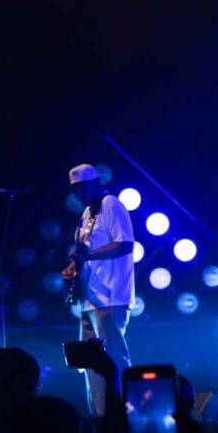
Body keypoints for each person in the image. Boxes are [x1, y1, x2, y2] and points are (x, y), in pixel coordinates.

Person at [61, 163, 135, 415]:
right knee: (89, 362)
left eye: (83, 187)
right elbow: (86, 253)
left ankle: (124, 416)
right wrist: (73, 265)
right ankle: (101, 418)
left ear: (96, 182)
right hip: (90, 297)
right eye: (75, 189)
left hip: (111, 295)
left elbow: (125, 244)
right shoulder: (86, 214)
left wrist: (88, 256)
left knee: (113, 358)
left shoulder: (111, 204)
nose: (79, 193)